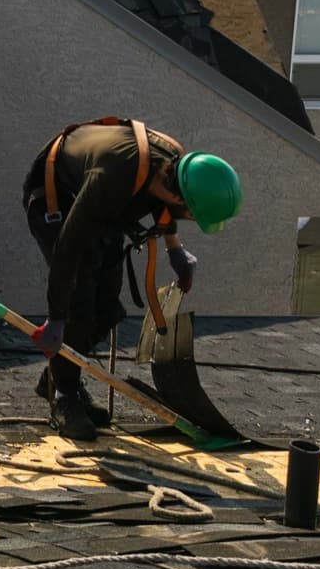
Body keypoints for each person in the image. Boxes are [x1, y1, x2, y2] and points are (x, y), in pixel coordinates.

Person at [21, 117, 241, 439]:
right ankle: (64, 399)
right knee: (80, 302)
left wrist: (174, 249)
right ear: (182, 199)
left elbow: (162, 207)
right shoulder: (114, 175)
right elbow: (68, 250)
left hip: (102, 206)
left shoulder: (173, 165)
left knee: (109, 308)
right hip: (56, 200)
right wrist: (55, 318)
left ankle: (56, 375)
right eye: (193, 216)